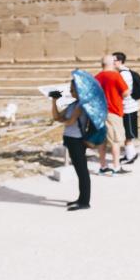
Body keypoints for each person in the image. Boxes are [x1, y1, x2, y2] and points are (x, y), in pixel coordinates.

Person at [51, 79, 91, 211]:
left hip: (77, 140)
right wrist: (54, 101)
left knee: (82, 172)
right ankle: (81, 199)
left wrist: (64, 120)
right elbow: (57, 117)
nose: (70, 91)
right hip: (70, 139)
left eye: (72, 89)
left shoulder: (81, 105)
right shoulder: (73, 104)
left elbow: (70, 121)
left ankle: (85, 201)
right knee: (79, 171)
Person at [94, 55, 129, 176]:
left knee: (102, 141)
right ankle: (116, 166)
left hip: (99, 113)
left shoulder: (96, 77)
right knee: (115, 140)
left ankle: (103, 166)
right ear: (112, 63)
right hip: (113, 111)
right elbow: (125, 92)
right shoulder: (115, 75)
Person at [114, 51, 140, 165]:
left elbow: (124, 91)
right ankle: (131, 153)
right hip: (128, 106)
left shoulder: (123, 74)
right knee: (127, 133)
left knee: (127, 134)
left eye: (113, 60)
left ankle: (130, 156)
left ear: (119, 61)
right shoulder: (125, 72)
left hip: (128, 107)